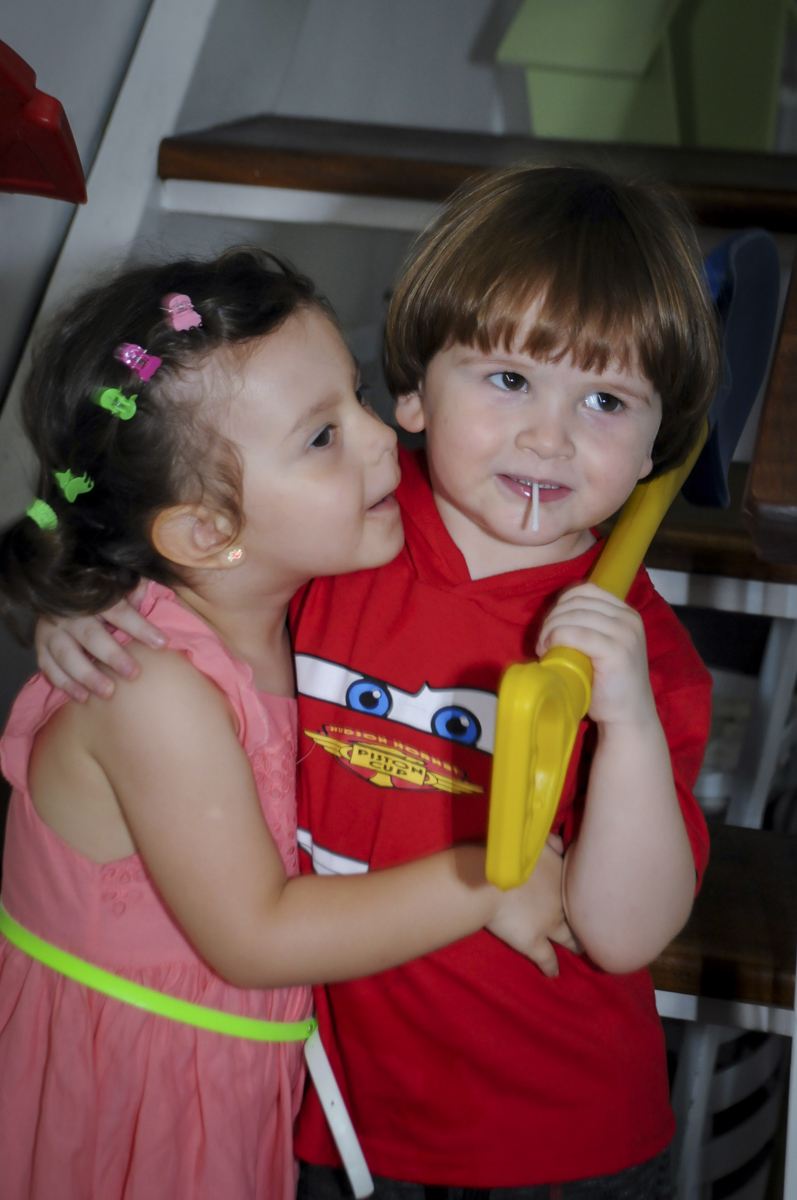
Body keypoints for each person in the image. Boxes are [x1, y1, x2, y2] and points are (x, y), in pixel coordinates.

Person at [35, 166, 720, 1199]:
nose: (550, 435)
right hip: (332, 1119)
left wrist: (622, 723)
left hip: (554, 1139)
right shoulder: (351, 531)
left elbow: (623, 934)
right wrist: (78, 598)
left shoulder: (638, 653)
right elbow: (187, 509)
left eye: (606, 399)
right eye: (506, 380)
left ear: (653, 441)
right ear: (409, 390)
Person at [0, 248, 575, 1200]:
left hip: (215, 1075)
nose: (383, 435)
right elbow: (255, 938)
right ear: (204, 534)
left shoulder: (285, 600)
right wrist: (488, 880)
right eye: (321, 436)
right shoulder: (155, 695)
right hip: (132, 1103)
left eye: (354, 395)